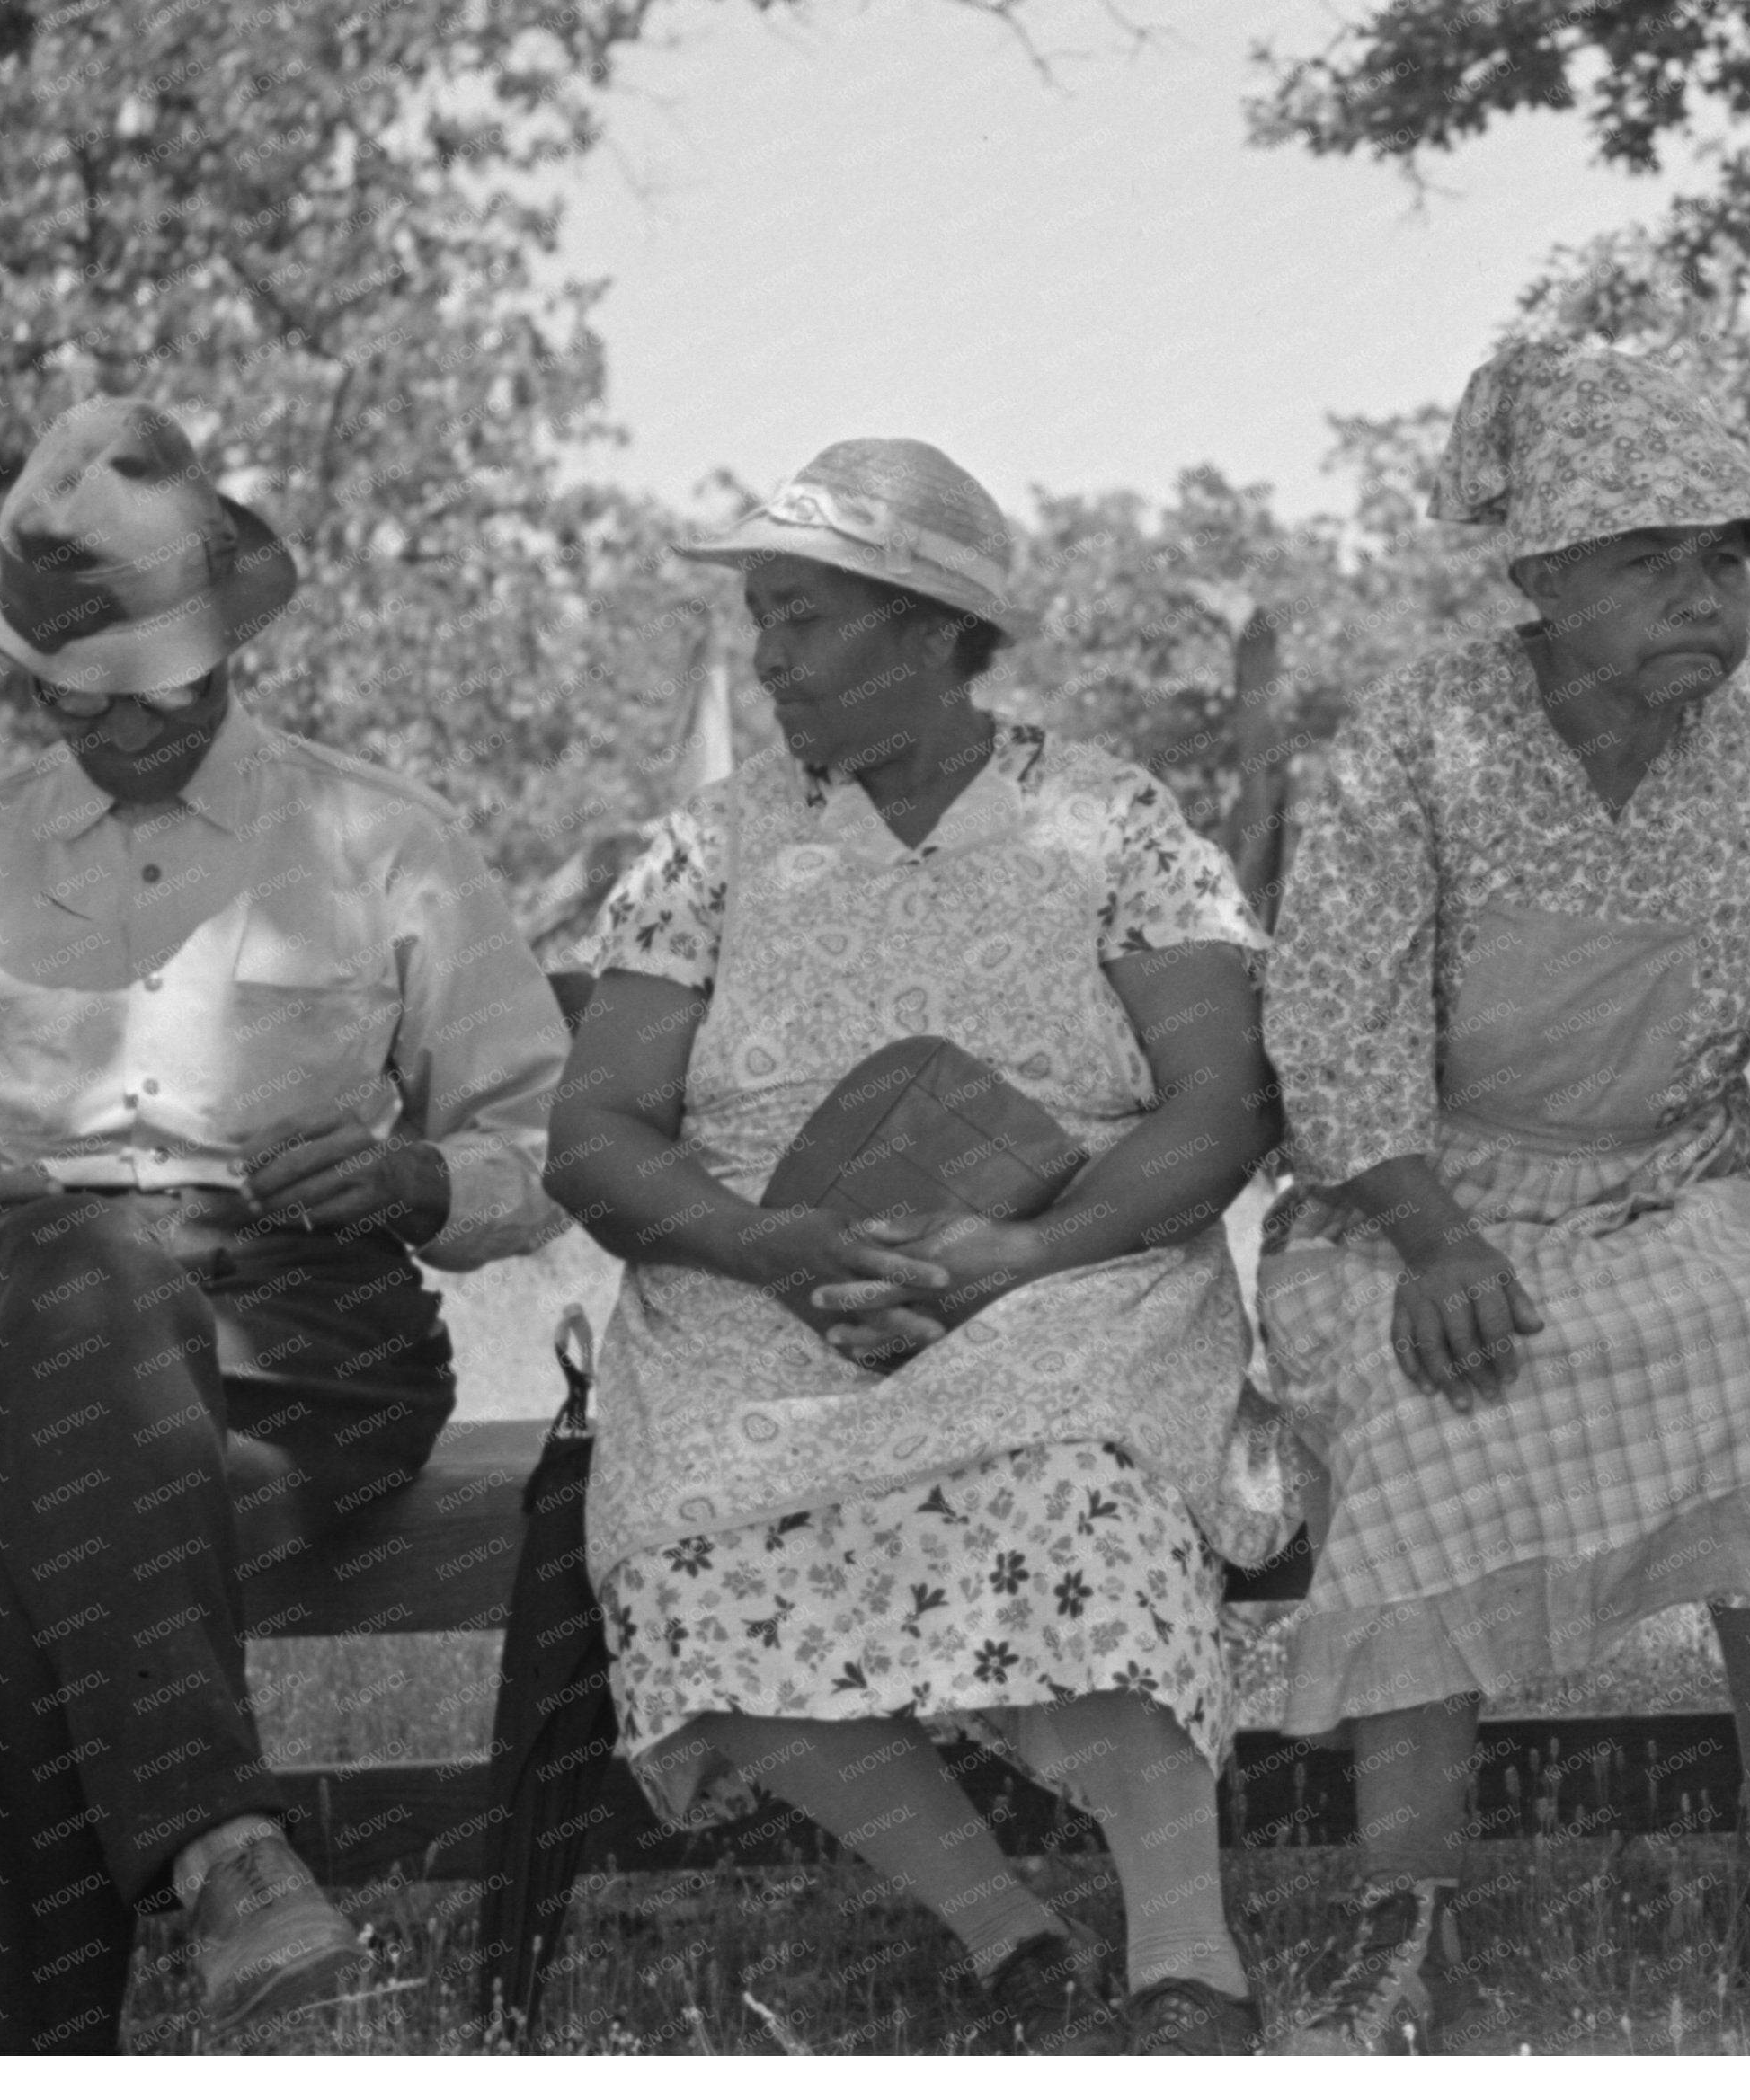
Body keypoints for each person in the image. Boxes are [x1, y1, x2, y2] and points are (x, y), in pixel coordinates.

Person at [1255, 343, 1750, 2054]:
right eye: (1649, 559)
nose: (1701, 597)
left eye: (1725, 561)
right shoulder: (1412, 743)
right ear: (1539, 580)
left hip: (1672, 1193)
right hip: (1416, 1202)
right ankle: (1402, 1920)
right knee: (1436, 1407)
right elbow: (1327, 1020)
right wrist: (1429, 1233)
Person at [546, 440, 1288, 2056]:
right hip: (760, 1291)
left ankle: (1186, 1959)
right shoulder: (709, 849)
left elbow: (1219, 1106)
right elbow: (595, 1136)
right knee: (686, 1542)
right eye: (763, 618)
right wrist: (766, 1245)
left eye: (802, 616)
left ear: (932, 626)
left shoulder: (1111, 822)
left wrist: (1020, 1255)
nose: (773, 656)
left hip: (1072, 1273)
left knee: (1076, 1500)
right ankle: (1009, 1937)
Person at [0, 397, 573, 2051]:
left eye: (161, 688)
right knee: (57, 1281)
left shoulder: (380, 839)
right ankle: (232, 1854)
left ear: (232, 648)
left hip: (303, 1354)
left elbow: (549, 1141)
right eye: (79, 693)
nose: (123, 726)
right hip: (38, 1327)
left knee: (38, 1529)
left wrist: (415, 1181)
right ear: (27, 674)